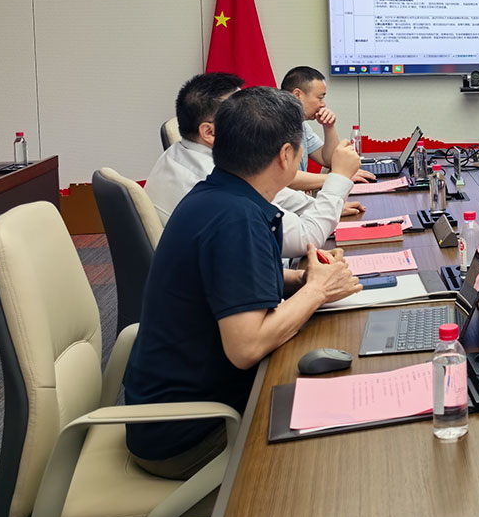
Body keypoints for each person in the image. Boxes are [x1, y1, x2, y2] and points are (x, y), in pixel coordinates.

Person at [124, 86, 362, 479]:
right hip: (189, 435)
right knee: (340, 444)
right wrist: (317, 291)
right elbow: (246, 347)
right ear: (285, 155)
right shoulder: (236, 219)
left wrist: (303, 279)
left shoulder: (219, 194)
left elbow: (234, 277)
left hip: (175, 410)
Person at [146, 73, 365, 258]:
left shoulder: (181, 153)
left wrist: (318, 206)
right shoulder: (216, 182)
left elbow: (276, 196)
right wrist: (338, 179)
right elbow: (304, 238)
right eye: (237, 113)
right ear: (209, 132)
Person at [280, 65, 375, 190]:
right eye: (320, 98)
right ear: (297, 95)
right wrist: (340, 178)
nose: (323, 104)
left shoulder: (302, 125)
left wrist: (329, 126)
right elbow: (283, 178)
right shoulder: (273, 126)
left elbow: (329, 160)